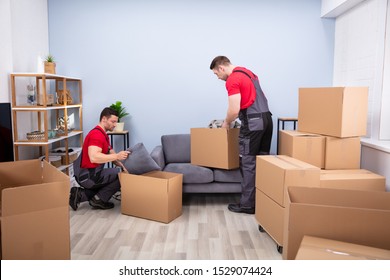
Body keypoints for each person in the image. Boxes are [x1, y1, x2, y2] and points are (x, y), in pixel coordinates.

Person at [210, 56, 273, 214]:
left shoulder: (233, 80)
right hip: (267, 120)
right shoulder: (248, 72)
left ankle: (247, 205)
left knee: (248, 163)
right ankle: (265, 201)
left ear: (221, 68)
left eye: (216, 74)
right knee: (262, 161)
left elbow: (234, 110)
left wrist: (226, 123)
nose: (218, 78)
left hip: (253, 123)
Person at [69, 107, 130, 210]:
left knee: (120, 172)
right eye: (113, 121)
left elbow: (112, 155)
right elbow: (94, 157)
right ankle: (99, 199)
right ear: (104, 119)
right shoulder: (96, 135)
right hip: (88, 176)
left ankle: (80, 195)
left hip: (91, 174)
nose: (115, 125)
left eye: (116, 122)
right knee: (120, 176)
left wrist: (124, 167)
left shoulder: (103, 135)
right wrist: (117, 157)